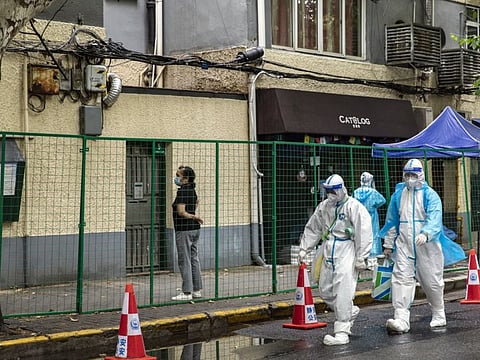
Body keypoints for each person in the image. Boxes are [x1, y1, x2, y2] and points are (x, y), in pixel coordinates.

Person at [298, 174, 373, 345]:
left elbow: (364, 231)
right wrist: (304, 248)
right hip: (328, 248)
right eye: (328, 190)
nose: (330, 194)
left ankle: (341, 331)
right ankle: (348, 311)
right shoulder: (324, 207)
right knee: (325, 289)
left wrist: (362, 256)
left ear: (341, 189)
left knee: (342, 288)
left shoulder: (354, 207)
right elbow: (313, 228)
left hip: (346, 249)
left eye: (333, 190)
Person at [380, 159, 446, 333]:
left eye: (413, 175)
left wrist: (426, 233)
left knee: (431, 280)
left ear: (421, 175)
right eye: (407, 175)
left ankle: (439, 313)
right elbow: (392, 221)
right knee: (401, 279)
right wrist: (388, 244)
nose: (410, 178)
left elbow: (435, 217)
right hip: (404, 245)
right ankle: (401, 319)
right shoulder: (398, 195)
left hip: (427, 246)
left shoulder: (430, 195)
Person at [171, 165, 204, 301]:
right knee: (193, 258)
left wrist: (193, 216)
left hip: (184, 229)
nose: (176, 178)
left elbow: (181, 212)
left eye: (178, 175)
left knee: (184, 260)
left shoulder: (182, 192)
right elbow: (195, 203)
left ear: (185, 178)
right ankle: (197, 290)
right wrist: (194, 216)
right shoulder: (192, 190)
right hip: (195, 229)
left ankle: (186, 292)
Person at [353, 172, 386, 266]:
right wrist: (374, 205)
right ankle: (372, 261)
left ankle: (362, 258)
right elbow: (382, 200)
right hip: (371, 216)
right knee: (373, 235)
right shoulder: (373, 192)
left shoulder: (356, 192)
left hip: (360, 216)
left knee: (361, 235)